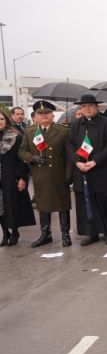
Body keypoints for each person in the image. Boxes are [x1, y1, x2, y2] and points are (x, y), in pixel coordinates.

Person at [67, 94, 107, 246]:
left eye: (90, 106)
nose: (86, 109)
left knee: (106, 202)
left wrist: (96, 161)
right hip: (82, 170)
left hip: (102, 170)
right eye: (83, 106)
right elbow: (69, 146)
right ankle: (91, 233)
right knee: (86, 203)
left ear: (97, 107)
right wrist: (77, 162)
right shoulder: (75, 125)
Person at [18, 100, 72, 247]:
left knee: (62, 205)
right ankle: (45, 234)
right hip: (40, 174)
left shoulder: (63, 131)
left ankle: (65, 234)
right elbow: (22, 151)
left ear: (52, 115)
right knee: (43, 205)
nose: (43, 116)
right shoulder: (30, 131)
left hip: (58, 174)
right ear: (35, 115)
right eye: (40, 114)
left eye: (46, 113)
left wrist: (69, 175)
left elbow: (69, 156)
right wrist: (32, 158)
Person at [0, 111, 35, 246]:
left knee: (11, 206)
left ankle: (14, 232)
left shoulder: (15, 136)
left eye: (2, 118)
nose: (0, 121)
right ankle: (5, 233)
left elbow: (22, 160)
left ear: (6, 120)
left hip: (11, 177)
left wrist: (22, 177)